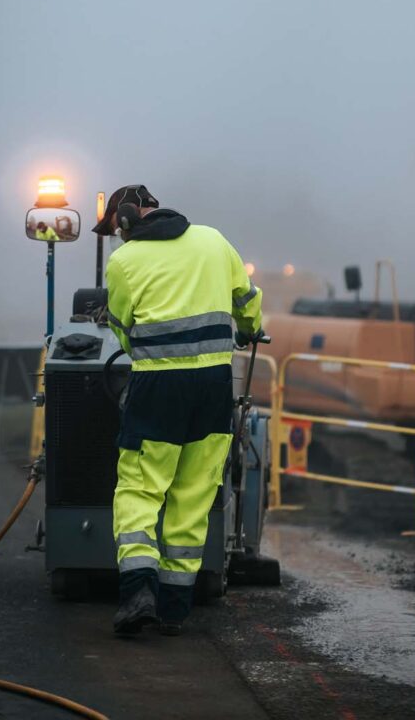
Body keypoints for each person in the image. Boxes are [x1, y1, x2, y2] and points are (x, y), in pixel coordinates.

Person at [93, 184, 263, 636]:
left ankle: (138, 593)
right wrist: (248, 331)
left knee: (140, 489)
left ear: (128, 217)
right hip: (212, 386)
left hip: (157, 387)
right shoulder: (213, 240)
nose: (118, 238)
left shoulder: (125, 261)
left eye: (115, 229)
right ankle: (173, 605)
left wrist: (146, 349)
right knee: (193, 492)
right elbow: (247, 301)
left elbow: (123, 328)